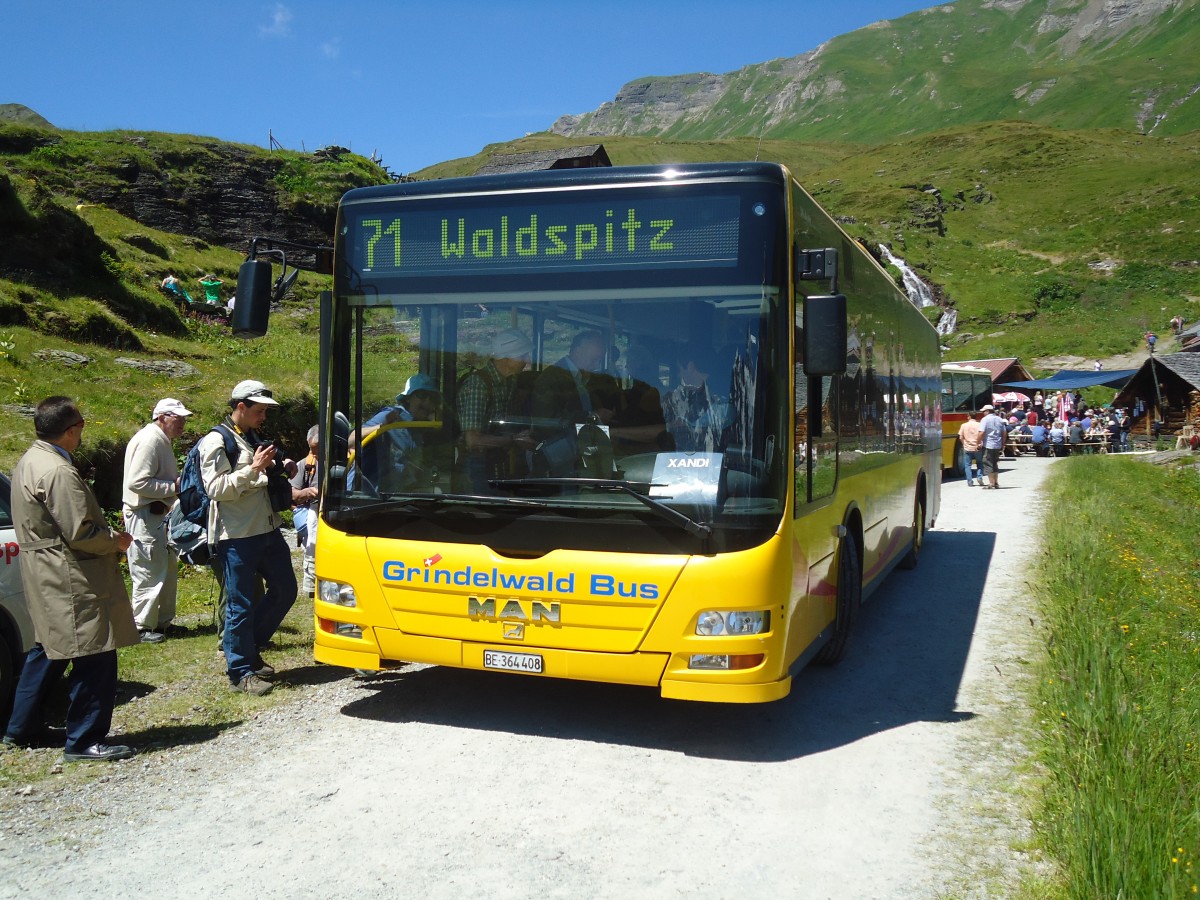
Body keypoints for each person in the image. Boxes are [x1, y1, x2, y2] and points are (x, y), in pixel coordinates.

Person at [3, 397, 137, 761]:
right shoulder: (58, 471)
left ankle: (21, 727)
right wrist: (117, 541)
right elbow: (81, 532)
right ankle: (84, 739)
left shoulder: (29, 460)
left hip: (45, 571)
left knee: (48, 649)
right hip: (72, 574)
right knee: (95, 652)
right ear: (71, 430)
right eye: (81, 425)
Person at [199, 380, 297, 696]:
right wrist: (253, 470)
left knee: (286, 589)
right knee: (240, 603)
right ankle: (241, 669)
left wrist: (278, 465)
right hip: (236, 535)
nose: (264, 417)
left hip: (267, 528)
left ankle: (247, 649)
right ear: (240, 407)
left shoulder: (251, 436)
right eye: (259, 411)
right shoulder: (215, 441)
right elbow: (214, 489)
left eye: (266, 411)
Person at [122, 397, 192, 643]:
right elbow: (137, 482)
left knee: (165, 567)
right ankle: (142, 627)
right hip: (145, 515)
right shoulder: (151, 439)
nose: (183, 423)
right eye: (178, 418)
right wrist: (174, 486)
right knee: (148, 569)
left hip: (156, 515)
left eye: (184, 418)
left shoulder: (159, 439)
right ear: (161, 417)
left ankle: (162, 623)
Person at [458, 328, 535, 492]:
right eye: (522, 356)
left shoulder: (509, 382)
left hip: (497, 458)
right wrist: (513, 440)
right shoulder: (478, 385)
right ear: (506, 358)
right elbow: (472, 440)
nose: (527, 361)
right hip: (476, 462)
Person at [352, 375, 442, 492]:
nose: (427, 401)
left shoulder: (418, 430)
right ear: (408, 398)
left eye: (433, 398)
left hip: (395, 497)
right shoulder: (392, 415)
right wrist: (383, 427)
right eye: (422, 395)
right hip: (368, 496)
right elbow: (352, 440)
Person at [661, 345, 729, 453]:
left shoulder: (720, 398)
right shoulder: (719, 393)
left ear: (691, 366)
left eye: (680, 370)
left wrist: (674, 425)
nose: (679, 375)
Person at [290, 426, 320, 594]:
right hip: (309, 513)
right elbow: (292, 494)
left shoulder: (346, 461)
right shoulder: (304, 464)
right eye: (312, 449)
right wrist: (305, 493)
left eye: (318, 450)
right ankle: (311, 584)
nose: (314, 454)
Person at [979, 403, 1006, 489]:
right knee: (995, 463)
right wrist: (1003, 443)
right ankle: (996, 482)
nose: (983, 413)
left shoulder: (985, 420)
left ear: (987, 411)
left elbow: (982, 432)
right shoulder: (1000, 419)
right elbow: (1004, 432)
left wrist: (977, 442)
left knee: (987, 462)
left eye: (983, 411)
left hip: (988, 444)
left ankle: (991, 483)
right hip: (997, 444)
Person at [957, 410, 984, 485]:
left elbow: (960, 437)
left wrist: (964, 444)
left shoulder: (963, 425)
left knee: (968, 465)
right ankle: (979, 477)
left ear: (969, 416)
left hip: (967, 447)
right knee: (979, 463)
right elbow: (982, 435)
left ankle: (969, 481)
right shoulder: (979, 425)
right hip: (978, 447)